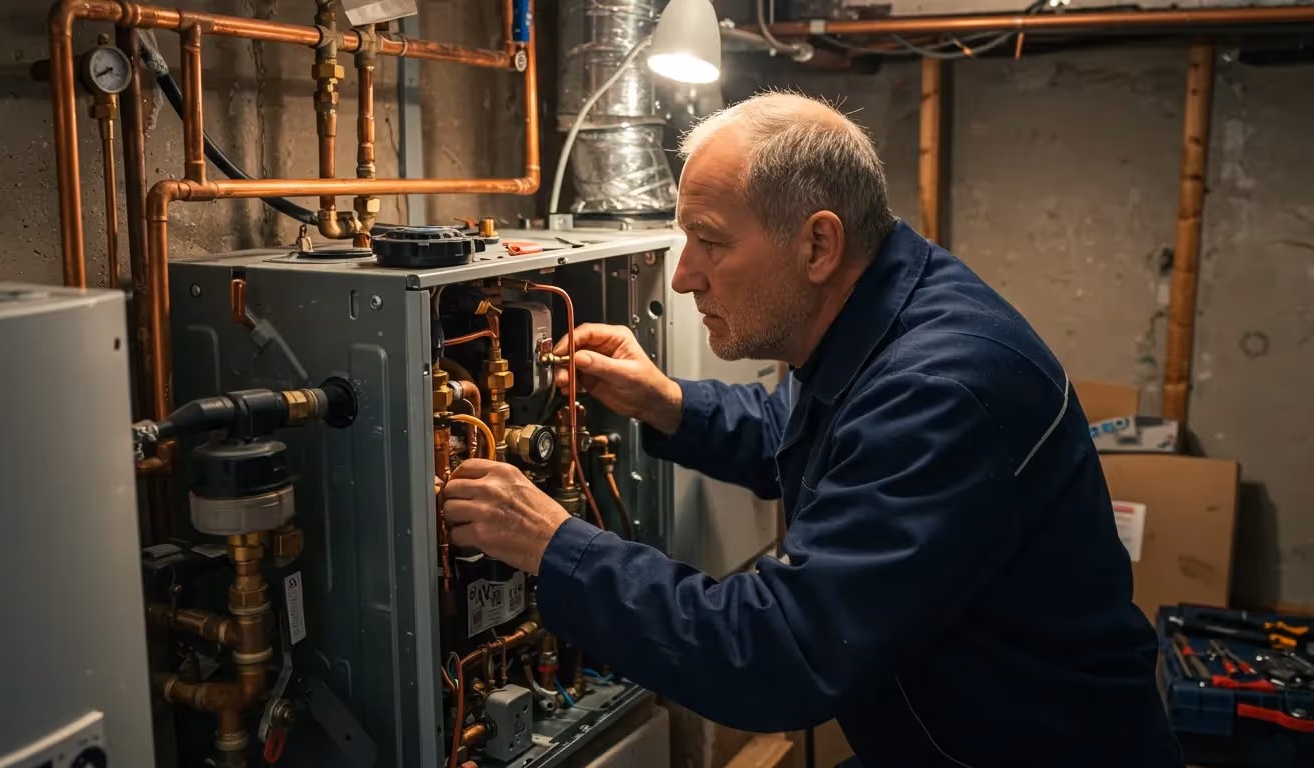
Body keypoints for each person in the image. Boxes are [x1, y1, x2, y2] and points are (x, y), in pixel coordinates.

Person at [441, 92, 1182, 767]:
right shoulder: (885, 310)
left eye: (710, 241)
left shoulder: (939, 389)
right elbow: (806, 436)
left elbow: (777, 657)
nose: (683, 276)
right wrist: (667, 401)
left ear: (818, 246)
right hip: (950, 726)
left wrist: (554, 545)